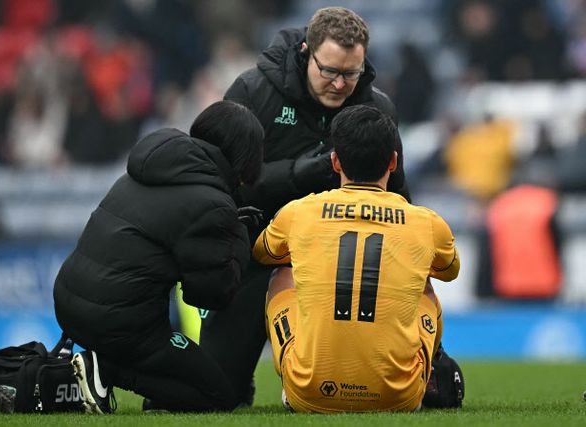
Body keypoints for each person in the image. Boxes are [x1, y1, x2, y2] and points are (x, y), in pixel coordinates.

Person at [198, 6, 410, 407]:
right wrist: (296, 174)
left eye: (351, 73)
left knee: (384, 390)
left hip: (343, 268)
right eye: (329, 71)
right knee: (213, 394)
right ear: (305, 52)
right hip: (254, 255)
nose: (340, 84)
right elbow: (218, 182)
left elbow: (398, 193)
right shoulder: (252, 93)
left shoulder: (377, 109)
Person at [53, 100, 264, 414]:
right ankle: (105, 370)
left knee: (184, 373)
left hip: (70, 304)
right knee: (219, 395)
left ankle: (118, 377)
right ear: (244, 157)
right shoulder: (212, 202)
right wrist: (238, 239)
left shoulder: (148, 168)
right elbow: (210, 295)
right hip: (119, 324)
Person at [253, 105, 461, 412]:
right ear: (393, 161)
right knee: (425, 285)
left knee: (282, 274)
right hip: (398, 397)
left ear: (335, 161)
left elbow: (263, 253)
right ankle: (423, 373)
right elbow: (450, 271)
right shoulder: (427, 222)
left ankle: (297, 377)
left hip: (309, 393)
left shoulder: (299, 212)